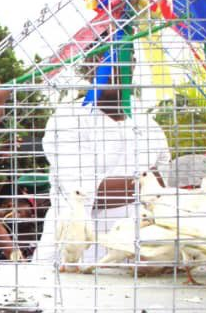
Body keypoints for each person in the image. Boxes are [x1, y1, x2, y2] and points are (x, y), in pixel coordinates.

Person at [35, 58, 170, 264]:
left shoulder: (146, 122)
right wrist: (146, 184)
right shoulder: (69, 118)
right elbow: (82, 194)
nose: (113, 66)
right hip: (76, 253)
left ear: (132, 64)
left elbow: (164, 187)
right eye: (103, 58)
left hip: (136, 253)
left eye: (121, 56)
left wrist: (147, 187)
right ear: (87, 67)